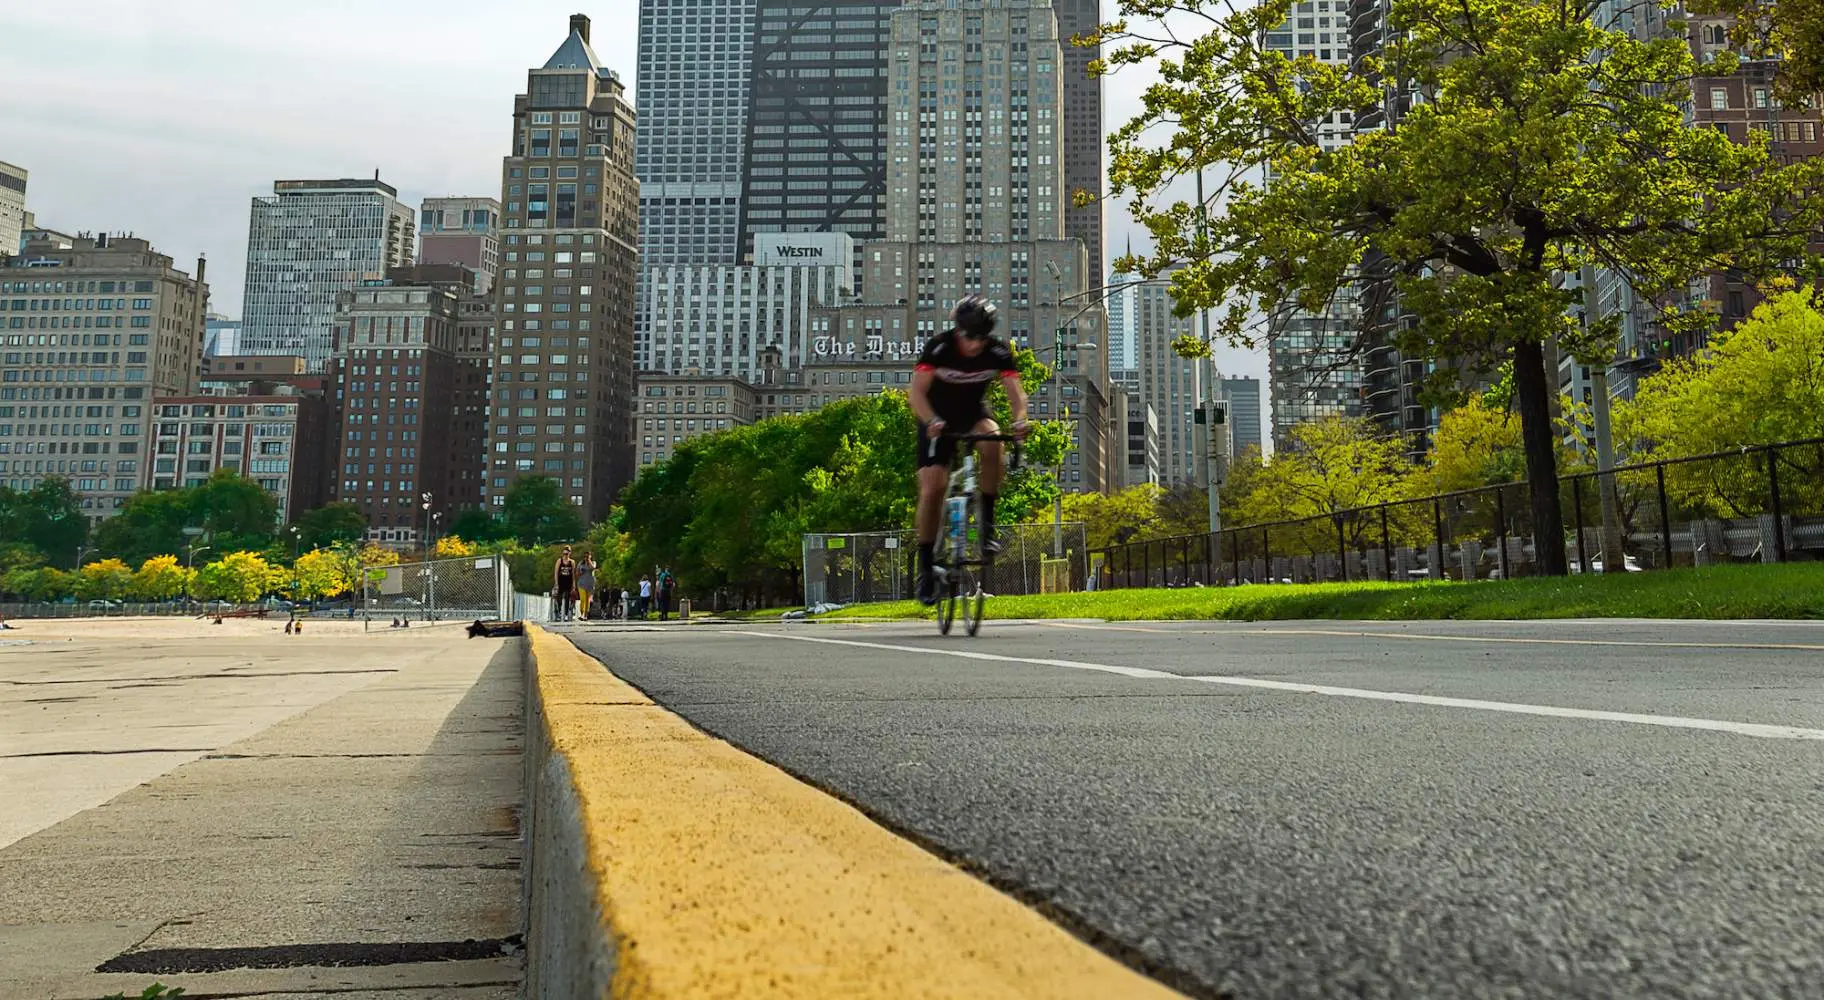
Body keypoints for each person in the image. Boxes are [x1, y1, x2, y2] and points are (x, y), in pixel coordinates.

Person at [909, 294, 1029, 605]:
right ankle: (925, 566)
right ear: (958, 330)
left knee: (993, 440)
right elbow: (917, 395)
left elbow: (1016, 394)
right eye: (969, 336)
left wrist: (1018, 422)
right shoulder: (939, 348)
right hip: (936, 418)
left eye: (981, 337)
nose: (975, 344)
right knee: (933, 487)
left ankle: (987, 522)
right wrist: (931, 420)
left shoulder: (998, 351)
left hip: (974, 413)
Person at [553, 546, 578, 622]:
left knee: (567, 597)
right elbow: (556, 572)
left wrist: (574, 584)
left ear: (569, 553)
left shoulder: (572, 562)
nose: (565, 555)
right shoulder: (559, 561)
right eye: (564, 554)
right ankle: (559, 612)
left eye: (567, 554)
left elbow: (573, 574)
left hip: (568, 582)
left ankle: (566, 614)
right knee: (558, 597)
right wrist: (556, 583)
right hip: (560, 581)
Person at [576, 554, 597, 620]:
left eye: (588, 556)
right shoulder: (581, 563)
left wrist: (589, 561)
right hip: (581, 583)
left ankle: (585, 615)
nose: (586, 558)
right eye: (585, 556)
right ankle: (582, 614)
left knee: (587, 600)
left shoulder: (593, 562)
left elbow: (593, 568)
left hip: (590, 584)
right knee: (582, 599)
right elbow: (577, 572)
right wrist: (579, 573)